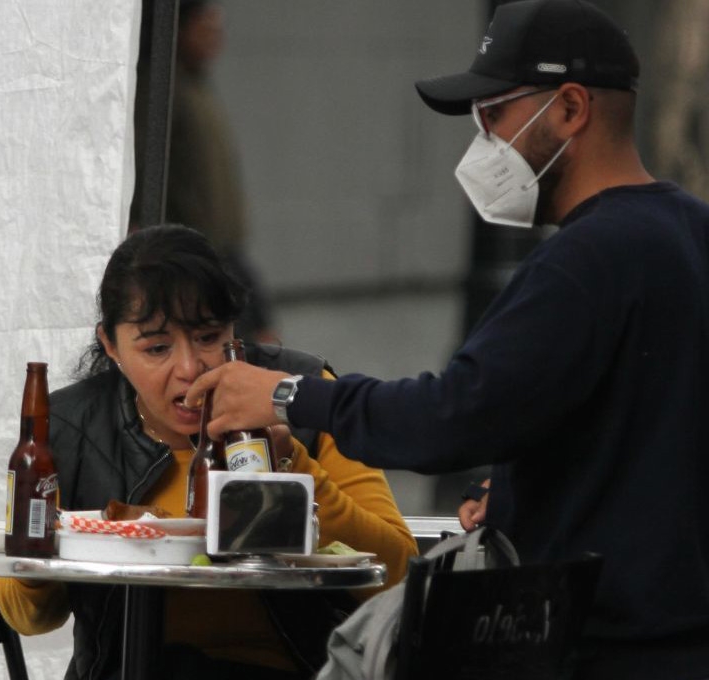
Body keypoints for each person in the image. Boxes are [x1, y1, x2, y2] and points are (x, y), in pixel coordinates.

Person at [185, 1, 709, 677]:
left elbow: (451, 417)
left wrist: (291, 396)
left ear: (571, 108)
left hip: (601, 645)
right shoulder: (690, 234)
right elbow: (632, 424)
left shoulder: (586, 260)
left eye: (495, 114)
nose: (482, 139)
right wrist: (525, 490)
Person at [0, 225, 416, 680]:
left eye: (209, 337)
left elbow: (397, 579)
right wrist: (39, 555)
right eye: (157, 348)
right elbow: (27, 618)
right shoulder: (70, 425)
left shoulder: (300, 395)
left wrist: (293, 467)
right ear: (111, 345)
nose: (191, 368)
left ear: (235, 330)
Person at [163, 0, 277, 344]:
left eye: (219, 28)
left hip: (227, 250)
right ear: (181, 30)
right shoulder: (168, 92)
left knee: (263, 344)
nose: (217, 38)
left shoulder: (199, 87)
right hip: (192, 256)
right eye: (206, 28)